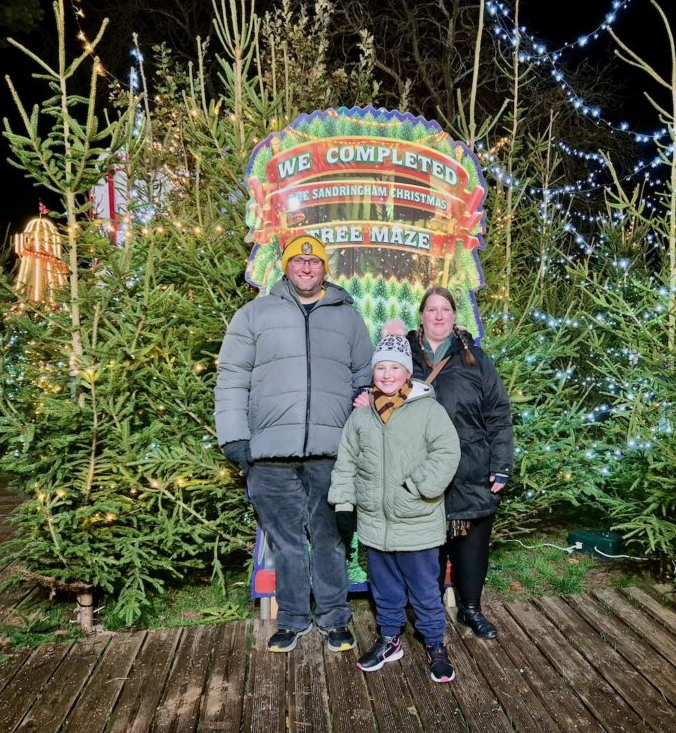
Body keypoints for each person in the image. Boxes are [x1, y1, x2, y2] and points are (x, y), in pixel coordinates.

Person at [215, 234, 374, 653]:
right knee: (285, 543)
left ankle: (336, 619)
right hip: (270, 455)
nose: (306, 268)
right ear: (286, 266)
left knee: (330, 540)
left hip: (332, 453)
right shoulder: (254, 314)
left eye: (314, 262)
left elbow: (365, 376)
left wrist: (359, 414)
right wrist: (234, 436)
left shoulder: (348, 317)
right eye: (298, 261)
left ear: (325, 268)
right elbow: (232, 377)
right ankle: (292, 619)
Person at [329, 322, 462, 682]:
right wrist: (343, 504)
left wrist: (417, 488)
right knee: (384, 590)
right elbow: (347, 463)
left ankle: (434, 643)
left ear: (407, 372)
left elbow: (447, 452)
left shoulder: (427, 410)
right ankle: (390, 640)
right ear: (374, 373)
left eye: (394, 367)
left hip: (416, 521)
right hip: (375, 524)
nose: (387, 374)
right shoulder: (360, 416)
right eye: (381, 368)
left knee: (424, 590)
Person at [408, 286, 514, 639]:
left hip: (470, 467)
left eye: (445, 310)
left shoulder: (475, 358)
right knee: (427, 550)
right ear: (421, 316)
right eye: (431, 309)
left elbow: (498, 413)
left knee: (471, 548)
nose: (438, 315)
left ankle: (470, 610)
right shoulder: (405, 356)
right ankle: (430, 614)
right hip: (421, 469)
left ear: (455, 317)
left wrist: (501, 463)